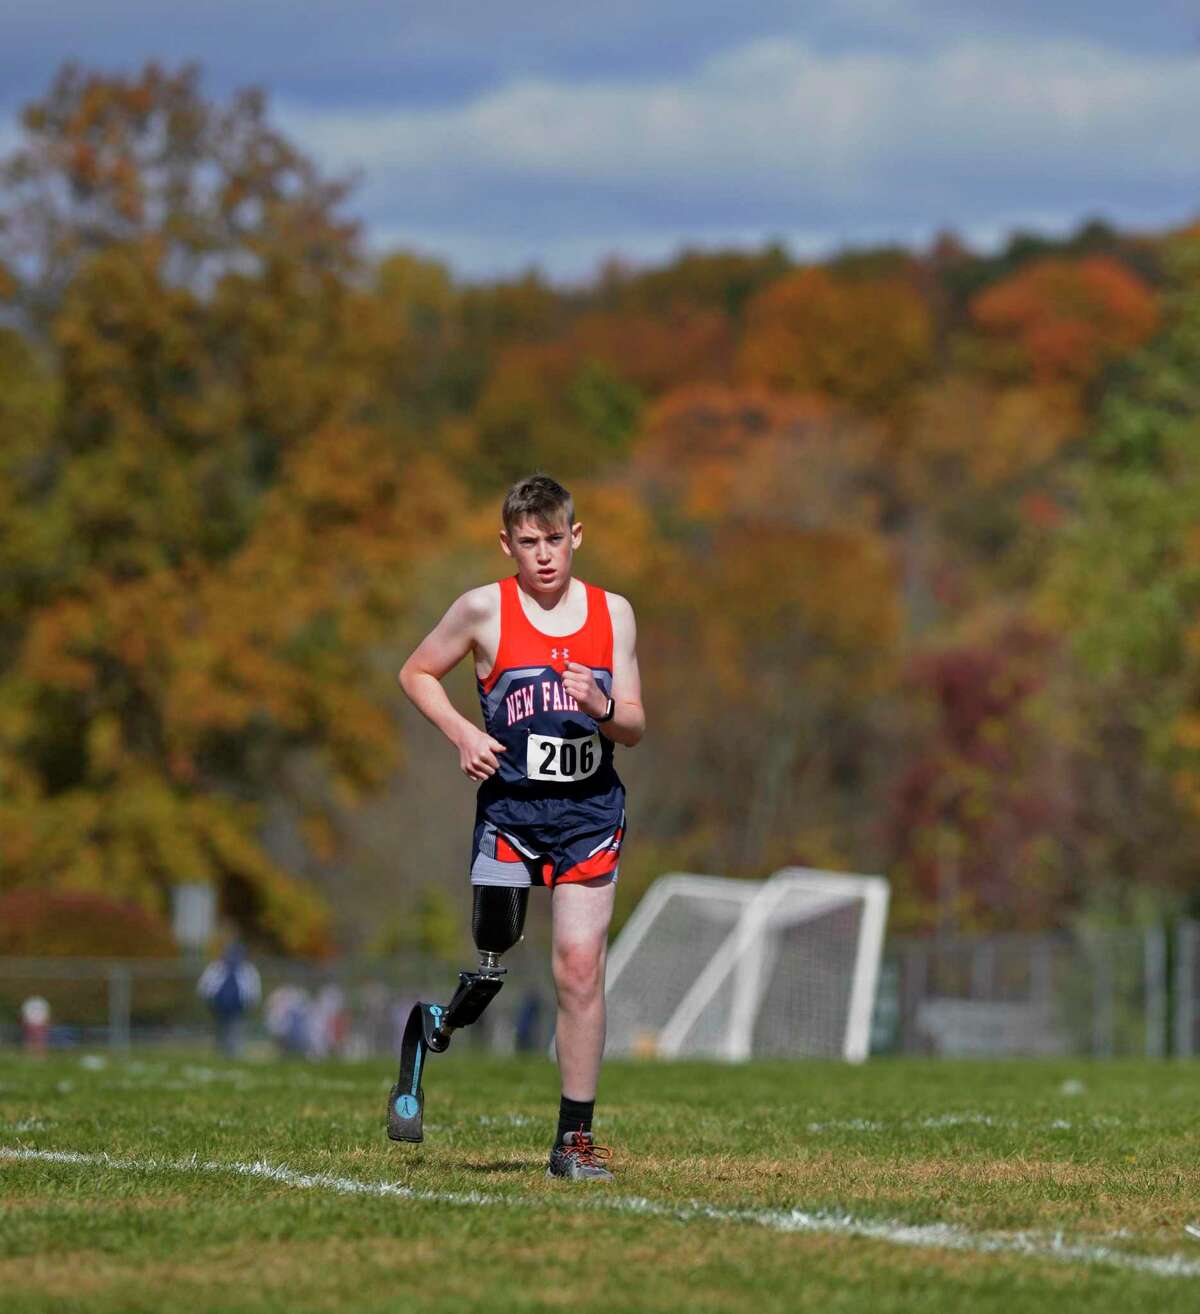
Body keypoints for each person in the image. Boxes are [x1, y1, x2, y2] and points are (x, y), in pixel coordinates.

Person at [398, 474, 645, 1180]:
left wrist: (601, 704)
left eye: (555, 540)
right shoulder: (483, 611)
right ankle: (430, 1026)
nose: (544, 555)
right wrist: (459, 734)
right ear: (507, 544)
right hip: (509, 812)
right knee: (493, 956)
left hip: (590, 814)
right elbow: (417, 672)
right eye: (529, 542)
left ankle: (574, 1140)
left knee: (578, 966)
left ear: (577, 537)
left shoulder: (613, 615)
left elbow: (635, 724)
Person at [196, 940, 261, 1058]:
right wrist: (252, 1004)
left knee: (222, 1031)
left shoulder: (216, 967)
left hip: (220, 1005)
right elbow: (253, 990)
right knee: (233, 1031)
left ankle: (224, 1054)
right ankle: (231, 1055)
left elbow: (204, 986)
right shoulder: (247, 969)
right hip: (235, 1006)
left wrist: (207, 1000)